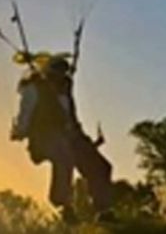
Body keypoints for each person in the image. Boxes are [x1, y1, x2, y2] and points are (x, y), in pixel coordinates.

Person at [10, 53, 115, 224]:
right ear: (48, 71)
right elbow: (25, 115)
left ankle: (104, 210)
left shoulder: (66, 92)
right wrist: (19, 132)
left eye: (64, 70)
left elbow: (70, 122)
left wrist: (90, 145)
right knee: (64, 156)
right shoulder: (34, 89)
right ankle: (65, 206)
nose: (61, 74)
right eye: (58, 69)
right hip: (45, 138)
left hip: (71, 138)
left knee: (101, 166)